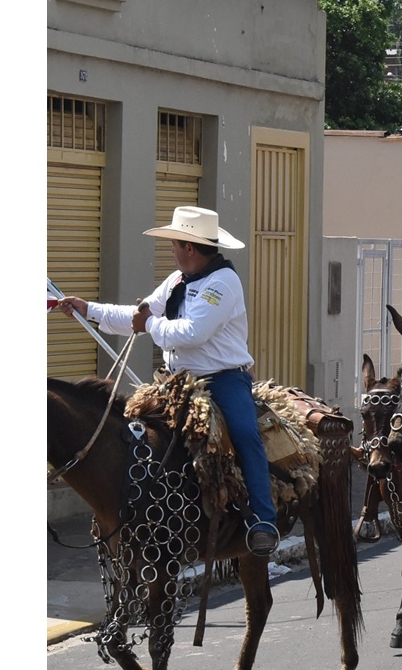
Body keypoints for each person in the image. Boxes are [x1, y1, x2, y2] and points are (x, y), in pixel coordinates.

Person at [57, 206, 281, 556]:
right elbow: (139, 315)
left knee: (245, 434)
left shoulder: (223, 283)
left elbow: (192, 332)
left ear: (189, 247)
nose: (172, 251)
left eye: (174, 244)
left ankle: (263, 521)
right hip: (175, 383)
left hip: (222, 381)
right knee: (133, 431)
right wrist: (89, 309)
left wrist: (148, 324)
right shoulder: (178, 280)